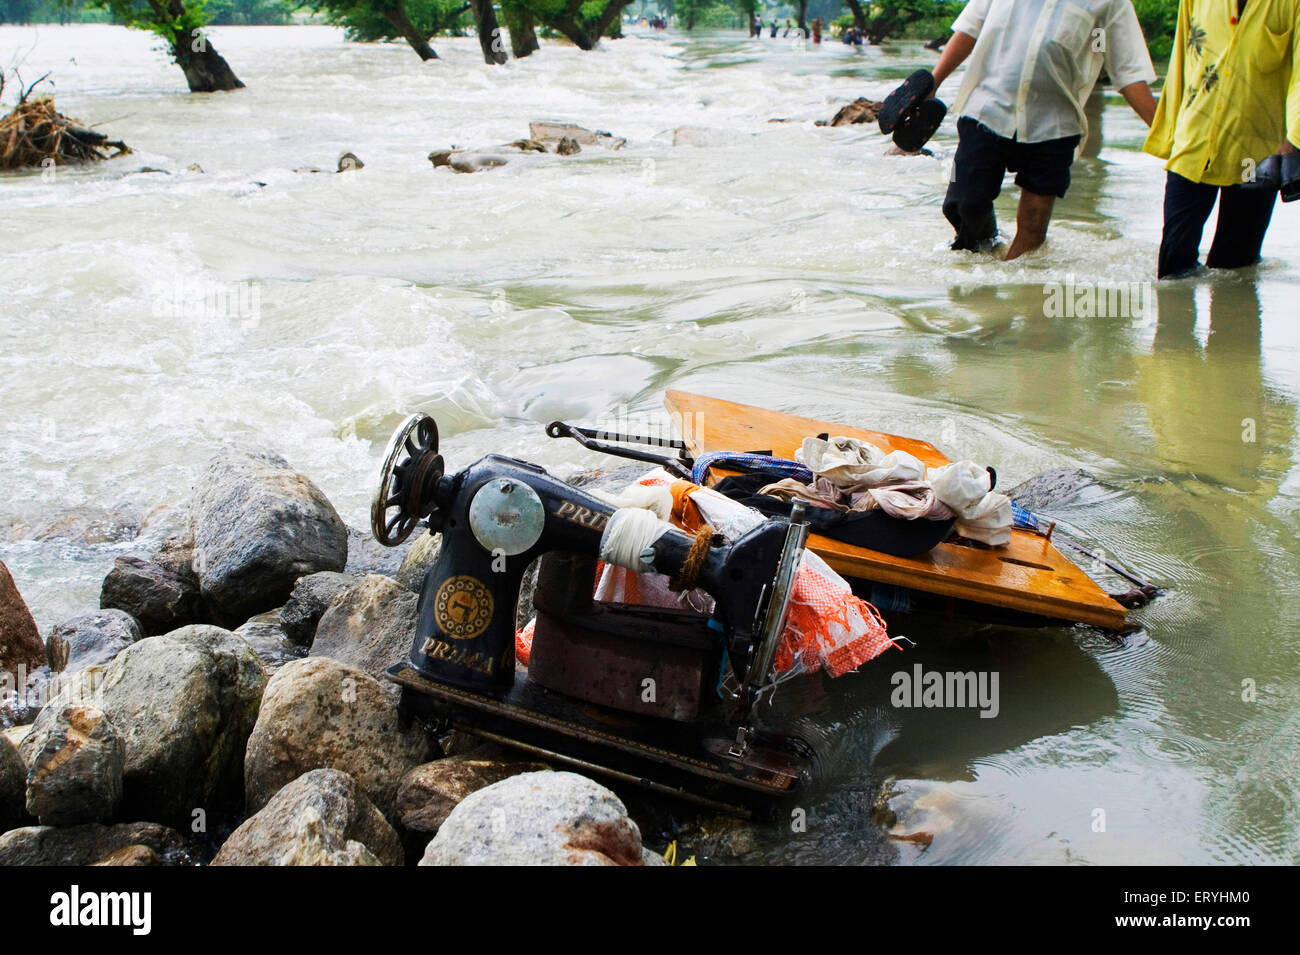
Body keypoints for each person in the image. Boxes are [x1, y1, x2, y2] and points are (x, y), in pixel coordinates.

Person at [929, 0, 1158, 258]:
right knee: (961, 204)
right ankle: (985, 252)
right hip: (985, 111)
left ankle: (1018, 290)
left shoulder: (1107, 4)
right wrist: (932, 83)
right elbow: (970, 30)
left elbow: (1126, 70)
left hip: (1055, 124)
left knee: (1034, 222)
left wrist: (1165, 134)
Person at [1143, 0, 1300, 278]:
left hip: (1258, 150)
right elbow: (1182, 58)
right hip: (1194, 141)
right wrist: (1170, 136)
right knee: (1172, 271)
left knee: (1236, 270)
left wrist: (1293, 141)